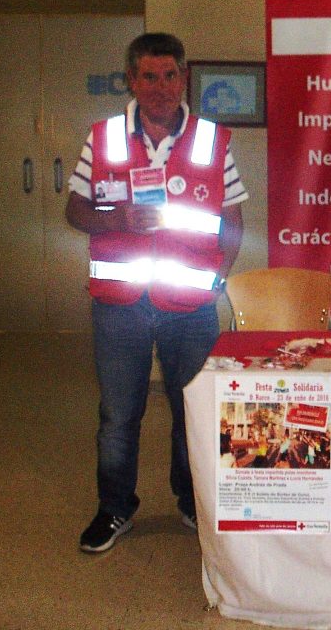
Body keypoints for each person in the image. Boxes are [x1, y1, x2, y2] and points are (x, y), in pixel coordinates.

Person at [66, 32, 248, 553]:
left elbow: (233, 221)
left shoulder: (212, 141)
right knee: (118, 414)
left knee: (191, 408)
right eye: (149, 76)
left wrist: (217, 280)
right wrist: (115, 216)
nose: (161, 87)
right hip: (118, 304)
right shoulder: (103, 139)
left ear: (184, 77)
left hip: (190, 307)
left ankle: (191, 501)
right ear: (132, 80)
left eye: (170, 75)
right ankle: (115, 508)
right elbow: (74, 211)